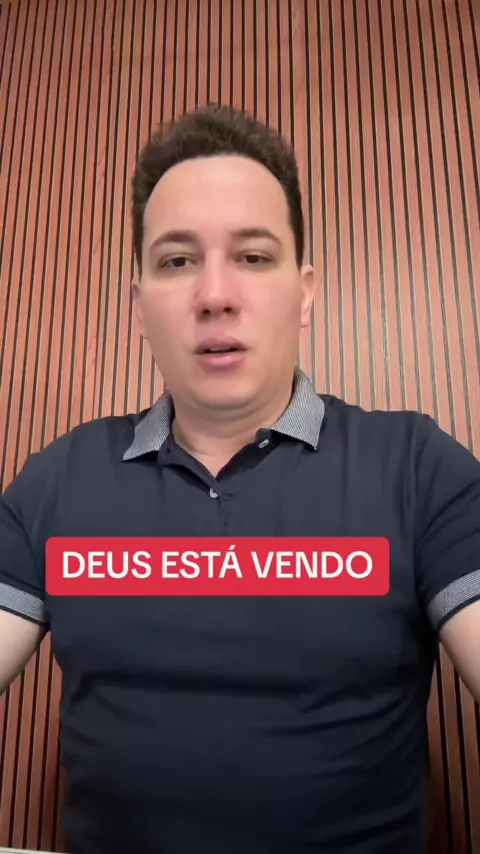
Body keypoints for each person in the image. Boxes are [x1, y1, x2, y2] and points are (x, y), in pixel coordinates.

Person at [0, 104, 479, 854]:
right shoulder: (58, 479)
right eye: (177, 261)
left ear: (305, 292)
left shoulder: (417, 467)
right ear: (139, 307)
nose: (215, 294)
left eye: (253, 257)